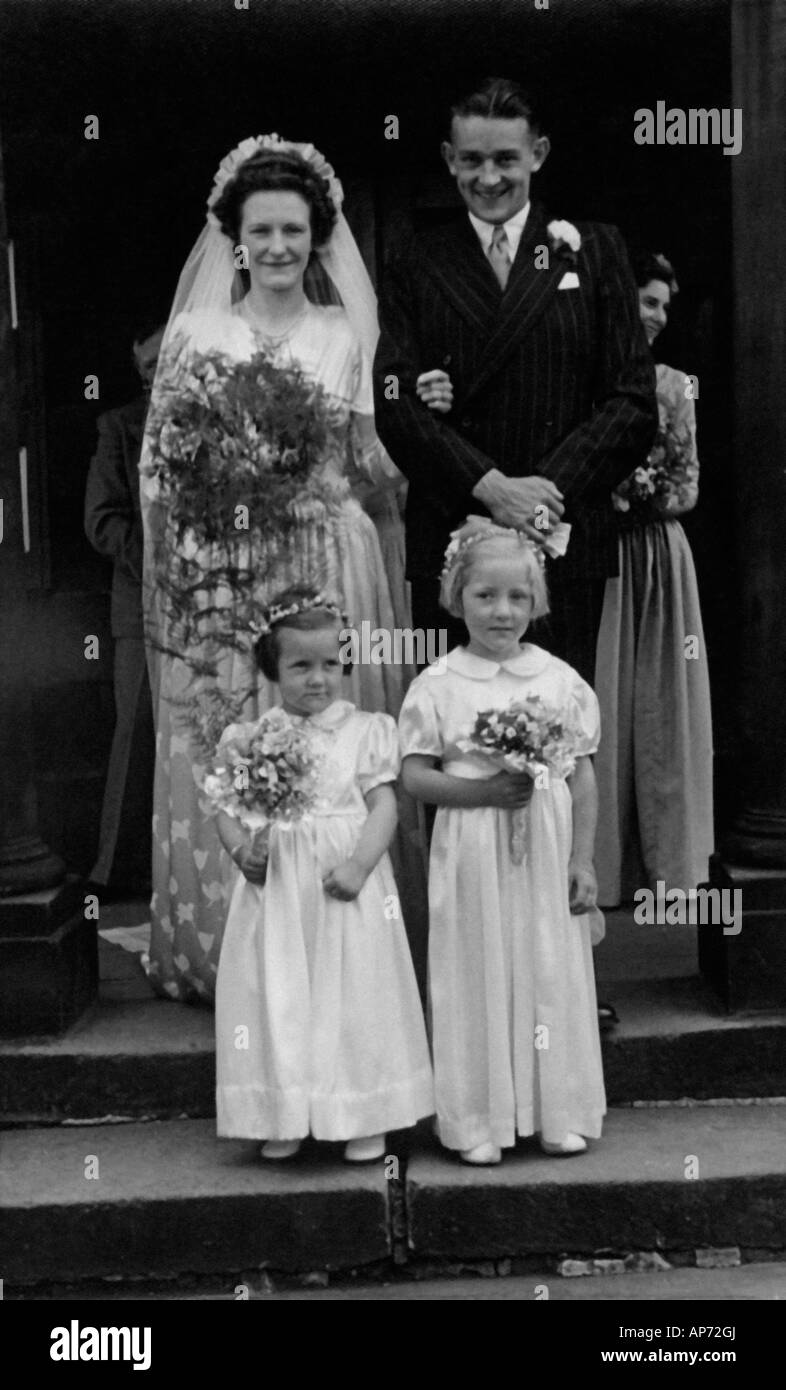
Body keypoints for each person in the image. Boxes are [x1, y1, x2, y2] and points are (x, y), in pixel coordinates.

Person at [140, 136, 417, 1002]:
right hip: (228, 560)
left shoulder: (344, 333)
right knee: (236, 733)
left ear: (316, 235)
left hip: (325, 554)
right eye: (259, 230)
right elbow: (160, 464)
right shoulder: (195, 333)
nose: (277, 249)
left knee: (330, 737)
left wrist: (342, 476)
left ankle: (340, 943)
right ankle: (238, 951)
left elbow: (373, 458)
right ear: (233, 236)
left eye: (293, 230)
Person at [373, 76, 658, 688]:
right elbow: (395, 403)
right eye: (471, 160)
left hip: (561, 536)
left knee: (553, 736)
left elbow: (632, 402)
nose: (489, 177)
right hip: (454, 535)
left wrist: (541, 494)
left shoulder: (595, 251)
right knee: (454, 740)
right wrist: (492, 487)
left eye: (506, 159)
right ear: (450, 160)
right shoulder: (416, 260)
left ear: (538, 154)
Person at [398, 519, 606, 1165]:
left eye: (517, 597)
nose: (502, 611)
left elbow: (583, 775)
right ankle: (478, 1119)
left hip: (544, 846)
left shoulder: (559, 679)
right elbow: (414, 776)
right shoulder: (439, 683)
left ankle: (554, 1109)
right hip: (472, 846)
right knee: (476, 966)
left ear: (536, 601)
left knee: (548, 965)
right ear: (457, 597)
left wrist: (582, 860)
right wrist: (484, 794)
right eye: (485, 596)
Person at [209, 588, 434, 1161]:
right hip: (280, 885)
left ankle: (363, 1111)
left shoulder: (366, 730)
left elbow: (384, 805)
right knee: (280, 992)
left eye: (330, 664)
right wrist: (241, 852)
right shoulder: (252, 738)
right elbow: (226, 809)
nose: (317, 679)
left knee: (355, 994)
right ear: (272, 668)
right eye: (300, 666)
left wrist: (360, 864)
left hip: (346, 882)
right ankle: (283, 1111)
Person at [593, 250, 714, 905]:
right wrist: (605, 495)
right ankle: (603, 868)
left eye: (666, 305)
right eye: (648, 301)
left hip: (660, 554)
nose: (659, 317)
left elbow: (689, 483)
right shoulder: (586, 377)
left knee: (661, 700)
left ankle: (669, 864)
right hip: (605, 552)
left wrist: (642, 494)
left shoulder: (676, 385)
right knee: (605, 697)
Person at [84, 321, 164, 893]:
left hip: (210, 604)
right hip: (138, 604)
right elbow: (102, 520)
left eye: (165, 363)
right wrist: (158, 567)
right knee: (134, 733)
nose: (156, 379)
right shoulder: (118, 427)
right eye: (146, 370)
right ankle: (114, 876)